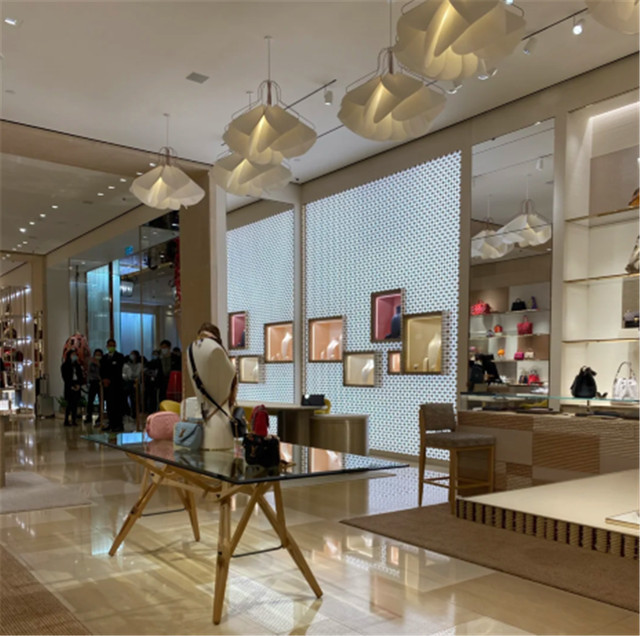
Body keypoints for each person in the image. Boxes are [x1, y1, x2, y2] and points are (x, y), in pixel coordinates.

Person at [100, 338, 125, 432]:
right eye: (110, 345)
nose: (111, 347)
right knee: (109, 405)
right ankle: (111, 424)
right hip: (107, 386)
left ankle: (118, 424)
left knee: (117, 405)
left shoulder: (120, 356)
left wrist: (110, 379)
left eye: (113, 345)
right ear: (107, 346)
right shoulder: (104, 358)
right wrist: (104, 379)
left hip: (117, 385)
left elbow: (118, 370)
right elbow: (102, 370)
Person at [61, 348, 84, 427]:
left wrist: (79, 385)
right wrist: (71, 386)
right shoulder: (65, 366)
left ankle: (74, 420)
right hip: (69, 386)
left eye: (75, 355)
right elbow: (65, 377)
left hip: (76, 384)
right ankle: (66, 420)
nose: (75, 356)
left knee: (75, 404)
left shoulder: (77, 365)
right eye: (73, 354)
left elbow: (80, 376)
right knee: (69, 404)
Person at [84, 348, 103, 425]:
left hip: (100, 383)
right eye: (96, 354)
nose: (97, 356)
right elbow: (89, 373)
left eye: (99, 355)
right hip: (93, 382)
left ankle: (100, 417)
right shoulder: (91, 363)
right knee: (90, 400)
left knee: (101, 400)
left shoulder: (103, 363)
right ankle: (89, 417)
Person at [122, 350, 142, 419]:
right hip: (127, 383)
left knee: (134, 399)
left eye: (133, 354)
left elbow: (136, 374)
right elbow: (124, 374)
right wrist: (128, 375)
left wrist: (129, 374)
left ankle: (134, 414)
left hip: (135, 383)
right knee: (124, 398)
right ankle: (127, 412)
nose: (132, 356)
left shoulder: (139, 365)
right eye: (131, 354)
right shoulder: (126, 364)